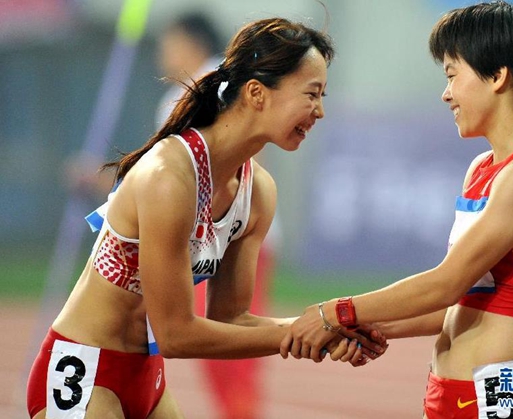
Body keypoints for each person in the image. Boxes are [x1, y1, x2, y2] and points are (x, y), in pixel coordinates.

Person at [27, 17, 385, 419]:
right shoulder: (170, 176)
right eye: (312, 94)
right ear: (257, 93)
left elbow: (231, 319)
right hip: (85, 369)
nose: (320, 111)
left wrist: (324, 325)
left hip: (147, 377)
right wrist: (304, 331)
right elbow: (175, 335)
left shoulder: (257, 192)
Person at [281, 2, 513, 418]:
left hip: (502, 397)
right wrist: (369, 326)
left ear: (498, 76)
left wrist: (336, 312)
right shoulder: (484, 169)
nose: (446, 93)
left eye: (452, 75)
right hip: (448, 393)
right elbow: (460, 304)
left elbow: (446, 284)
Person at [156, 12, 280, 419]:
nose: (162, 53)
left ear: (189, 42)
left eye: (168, 43)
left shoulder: (213, 84)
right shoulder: (187, 92)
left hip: (230, 235)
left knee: (226, 344)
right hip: (211, 236)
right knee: (219, 345)